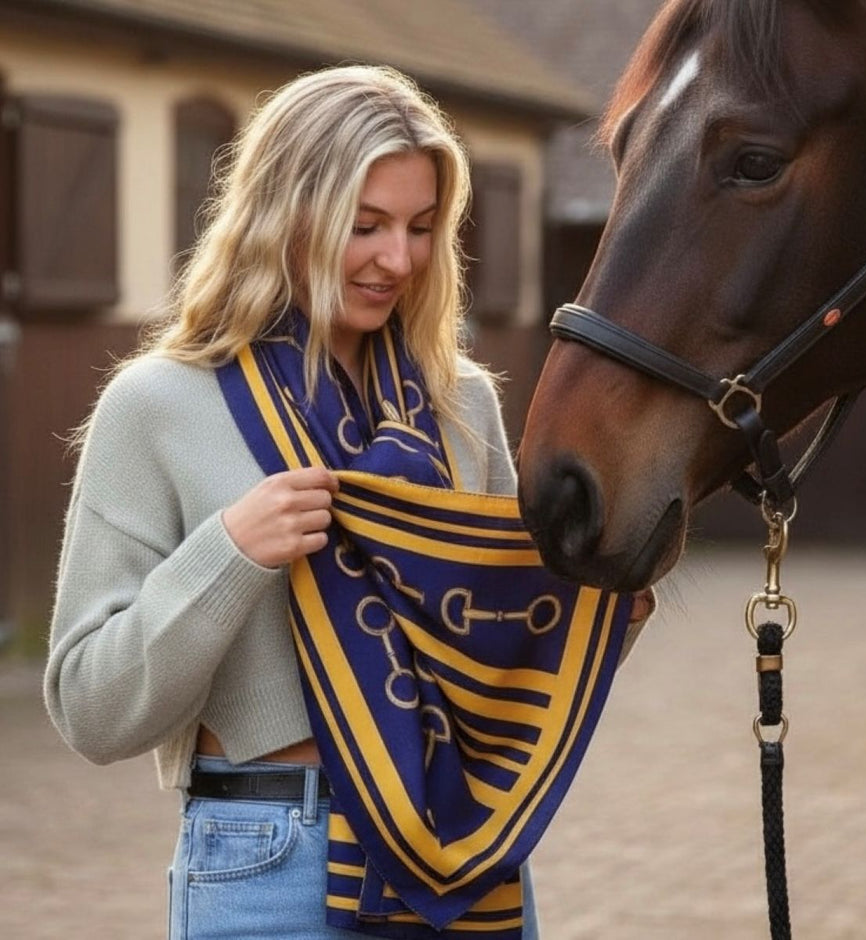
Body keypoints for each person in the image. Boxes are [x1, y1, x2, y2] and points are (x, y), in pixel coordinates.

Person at [45, 65, 652, 940]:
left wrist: (599, 619)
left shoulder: (460, 405)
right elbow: (91, 711)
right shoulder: (157, 406)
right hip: (265, 860)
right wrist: (230, 553)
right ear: (284, 213)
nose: (397, 260)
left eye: (420, 227)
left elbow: (497, 677)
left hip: (456, 859)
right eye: (364, 226)